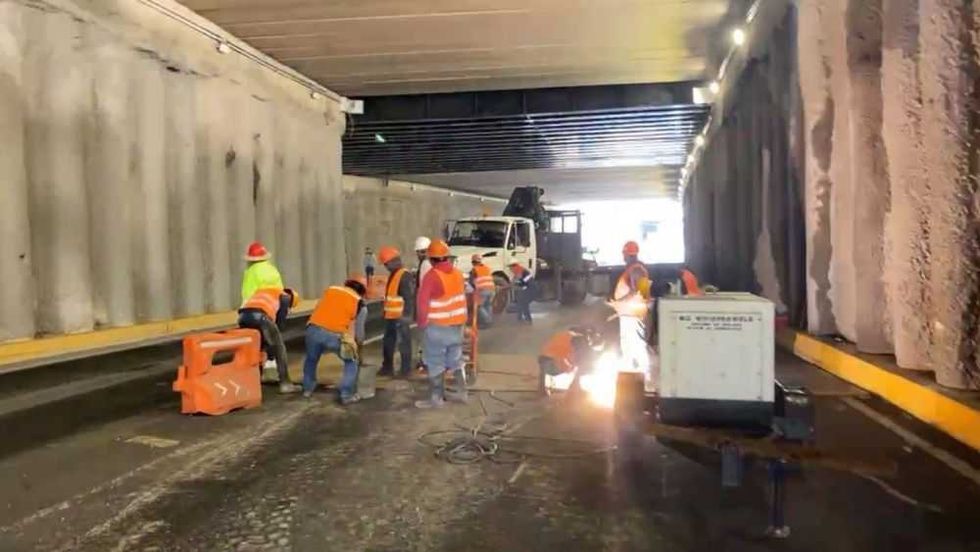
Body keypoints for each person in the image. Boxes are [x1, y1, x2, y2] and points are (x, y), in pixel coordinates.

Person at [415, 239, 468, 409]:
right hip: (457, 326)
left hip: (438, 327)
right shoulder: (458, 274)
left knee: (435, 362)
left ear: (431, 259)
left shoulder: (432, 277)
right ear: (446, 257)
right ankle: (462, 393)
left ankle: (436, 399)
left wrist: (422, 325)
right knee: (456, 360)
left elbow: (422, 304)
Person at [303, 275, 368, 405]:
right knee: (351, 361)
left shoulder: (331, 290)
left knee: (311, 359)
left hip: (313, 329)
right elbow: (358, 333)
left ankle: (308, 389)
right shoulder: (359, 302)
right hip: (335, 334)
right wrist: (357, 349)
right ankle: (347, 395)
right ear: (362, 291)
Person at [238, 287, 301, 394]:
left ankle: (255, 381)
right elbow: (280, 324)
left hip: (243, 317)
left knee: (258, 349)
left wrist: (269, 344)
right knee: (280, 348)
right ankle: (286, 384)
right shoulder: (285, 297)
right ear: (291, 299)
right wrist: (273, 348)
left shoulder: (264, 291)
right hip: (260, 317)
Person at [609, 241, 651, 373]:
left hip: (633, 314)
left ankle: (643, 373)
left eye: (624, 254)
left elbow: (639, 292)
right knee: (629, 344)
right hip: (630, 313)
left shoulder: (636, 269)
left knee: (636, 345)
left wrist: (619, 301)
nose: (623, 257)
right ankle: (631, 371)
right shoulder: (636, 268)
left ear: (627, 254)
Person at [378, 245, 415, 377]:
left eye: (386, 264)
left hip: (400, 317)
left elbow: (409, 297)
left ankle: (405, 370)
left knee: (403, 343)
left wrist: (407, 315)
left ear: (394, 261)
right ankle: (387, 367)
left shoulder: (404, 275)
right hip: (391, 316)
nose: (385, 267)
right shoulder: (394, 274)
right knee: (388, 343)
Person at [538, 326, 602, 396]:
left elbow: (545, 355)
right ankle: (574, 387)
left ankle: (542, 388)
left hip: (544, 365)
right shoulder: (580, 340)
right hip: (554, 366)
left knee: (579, 362)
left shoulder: (564, 334)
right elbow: (579, 359)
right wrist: (571, 366)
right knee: (589, 365)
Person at [469, 254, 496, 328]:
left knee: (479, 306)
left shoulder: (474, 269)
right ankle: (488, 321)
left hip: (483, 290)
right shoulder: (487, 268)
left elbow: (471, 282)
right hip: (492, 289)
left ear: (473, 262)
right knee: (488, 305)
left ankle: (487, 321)